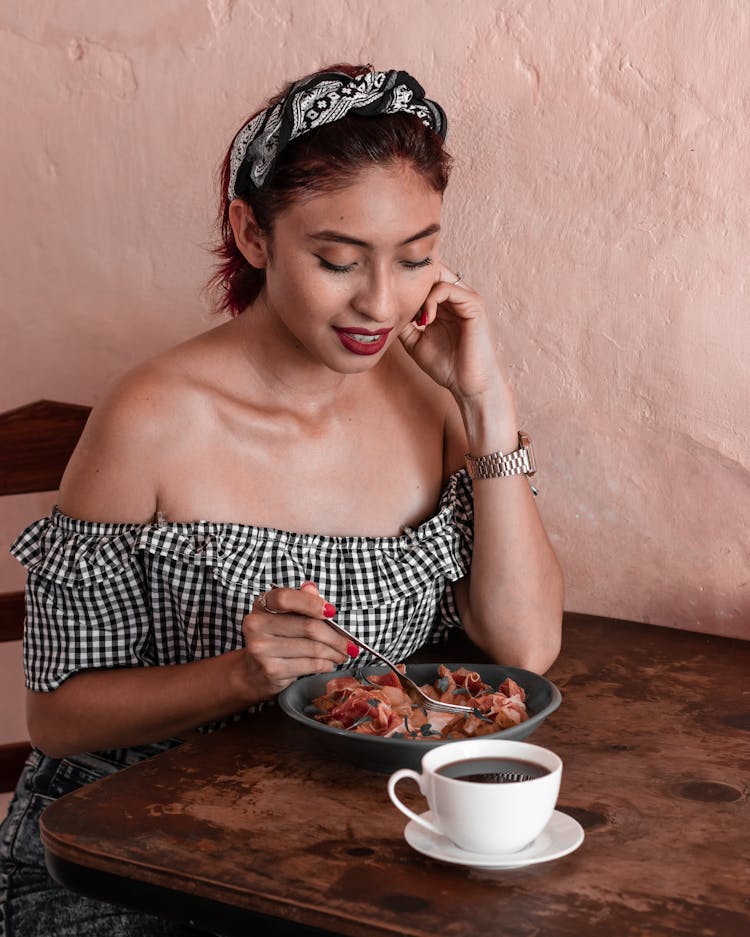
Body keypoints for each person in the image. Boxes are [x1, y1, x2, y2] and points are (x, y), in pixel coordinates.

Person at [0, 64, 563, 936]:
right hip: (133, 852)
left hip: (352, 835)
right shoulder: (151, 418)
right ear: (251, 235)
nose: (381, 301)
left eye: (415, 256)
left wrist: (488, 408)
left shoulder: (433, 399)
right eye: (338, 260)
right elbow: (59, 717)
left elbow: (526, 648)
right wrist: (240, 674)